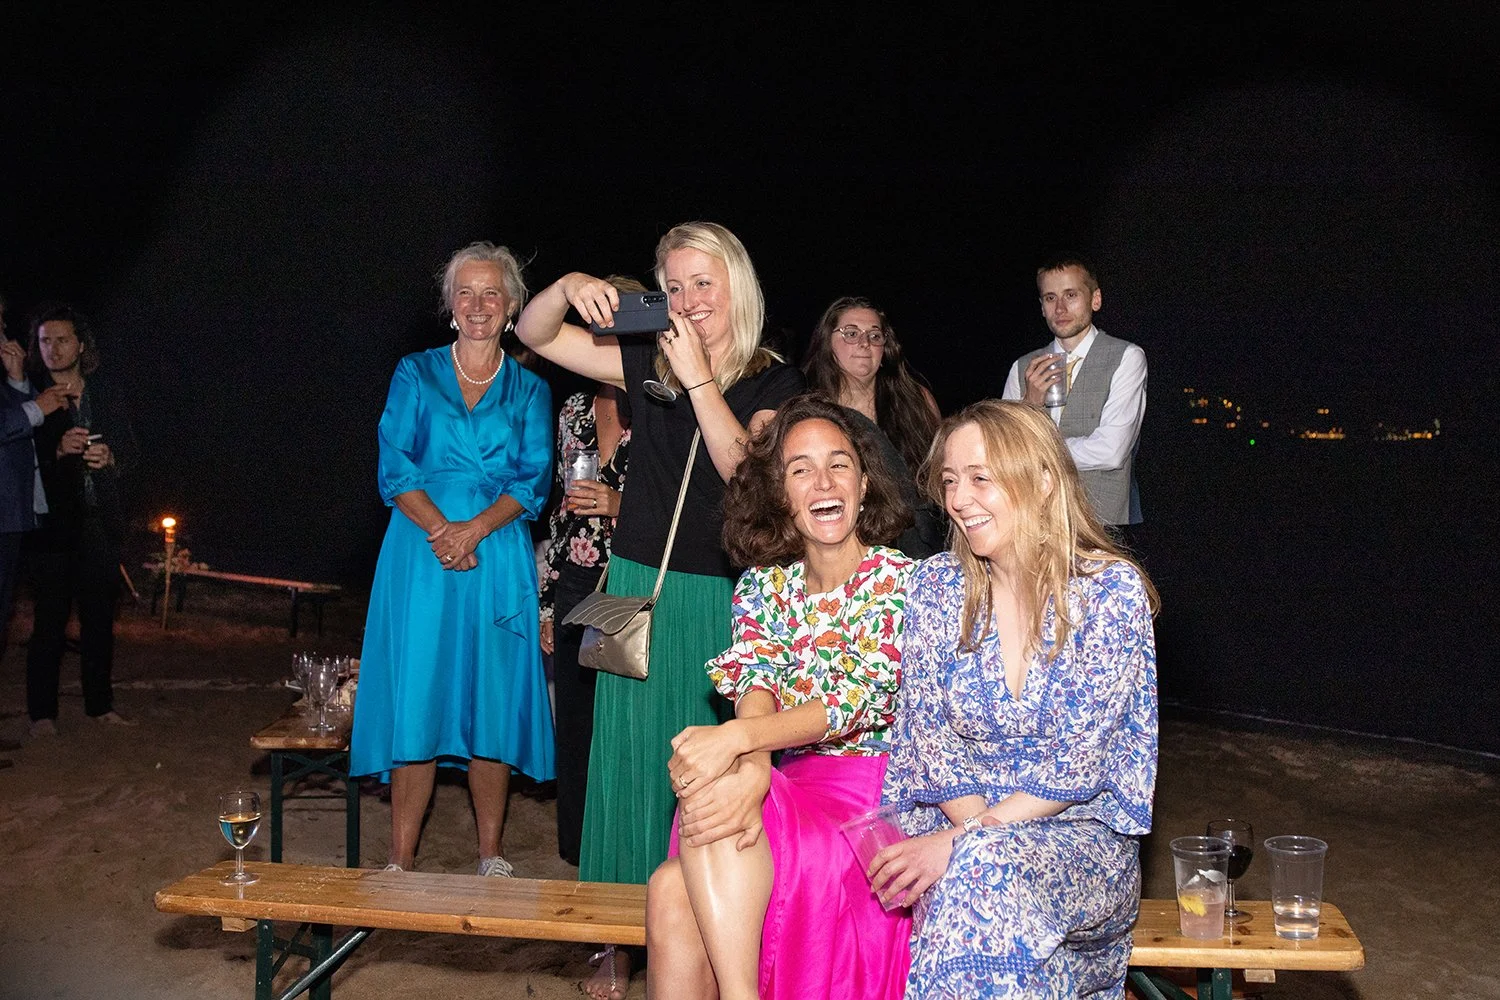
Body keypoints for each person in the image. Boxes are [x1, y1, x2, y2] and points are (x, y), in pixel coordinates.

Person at [514, 221, 804, 997]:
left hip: (722, 597)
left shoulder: (777, 383)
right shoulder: (645, 359)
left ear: (736, 286)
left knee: (704, 776)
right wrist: (566, 286)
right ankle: (613, 945)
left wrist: (701, 379)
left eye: (702, 283)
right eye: (672, 286)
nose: (686, 300)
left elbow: (747, 470)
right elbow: (535, 333)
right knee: (626, 767)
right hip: (637, 585)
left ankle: (703, 939)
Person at [876, 399, 1158, 999]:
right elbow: (931, 738)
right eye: (951, 481)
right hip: (958, 830)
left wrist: (964, 841)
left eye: (982, 478)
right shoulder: (934, 589)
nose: (959, 499)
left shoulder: (1109, 594)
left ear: (1045, 480)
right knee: (993, 917)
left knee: (980, 872)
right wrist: (968, 836)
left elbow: (1081, 762)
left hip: (1080, 843)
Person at [645, 394, 915, 1000]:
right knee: (669, 888)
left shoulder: (902, 580)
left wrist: (740, 743)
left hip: (872, 796)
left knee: (686, 855)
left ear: (864, 483)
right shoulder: (764, 586)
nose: (823, 481)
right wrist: (755, 766)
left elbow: (860, 698)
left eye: (839, 463)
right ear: (781, 497)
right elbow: (756, 682)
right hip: (790, 778)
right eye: (801, 469)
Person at [350, 242, 554, 877]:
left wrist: (472, 533)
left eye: (491, 293)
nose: (477, 305)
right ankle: (399, 859)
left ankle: (490, 853)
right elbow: (395, 463)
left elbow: (533, 481)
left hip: (495, 553)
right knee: (421, 691)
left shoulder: (530, 388)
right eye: (465, 292)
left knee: (490, 694)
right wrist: (444, 531)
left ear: (513, 305)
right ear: (449, 305)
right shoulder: (416, 372)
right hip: (420, 552)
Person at [539, 348, 635, 864]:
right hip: (577, 575)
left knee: (622, 722)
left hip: (630, 582)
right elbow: (561, 508)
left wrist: (620, 504)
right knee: (575, 724)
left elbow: (683, 507)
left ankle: (625, 847)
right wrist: (548, 601)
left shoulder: (657, 406)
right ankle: (579, 850)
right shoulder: (574, 408)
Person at [25, 303, 138, 734]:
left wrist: (110, 458)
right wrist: (55, 452)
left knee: (98, 620)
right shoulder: (31, 394)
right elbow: (19, 461)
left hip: (99, 522)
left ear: (81, 344)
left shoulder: (103, 392)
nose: (52, 349)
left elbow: (132, 453)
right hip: (51, 527)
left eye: (62, 340)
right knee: (49, 621)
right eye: (44, 341)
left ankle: (99, 704)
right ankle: (42, 714)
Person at [1001, 258, 1146, 540]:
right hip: (1036, 520)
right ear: (1041, 307)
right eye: (1050, 298)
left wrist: (1041, 455)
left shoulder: (1126, 357)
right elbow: (1008, 454)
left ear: (1095, 299)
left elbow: (1112, 450)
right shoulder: (1022, 367)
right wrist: (1030, 406)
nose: (1060, 308)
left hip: (1101, 523)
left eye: (1071, 295)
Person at [802, 296, 944, 557]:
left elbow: (943, 474)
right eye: (851, 333)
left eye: (875, 335)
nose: (864, 343)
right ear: (827, 342)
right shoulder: (809, 408)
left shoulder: (916, 400)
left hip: (915, 548)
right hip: (836, 547)